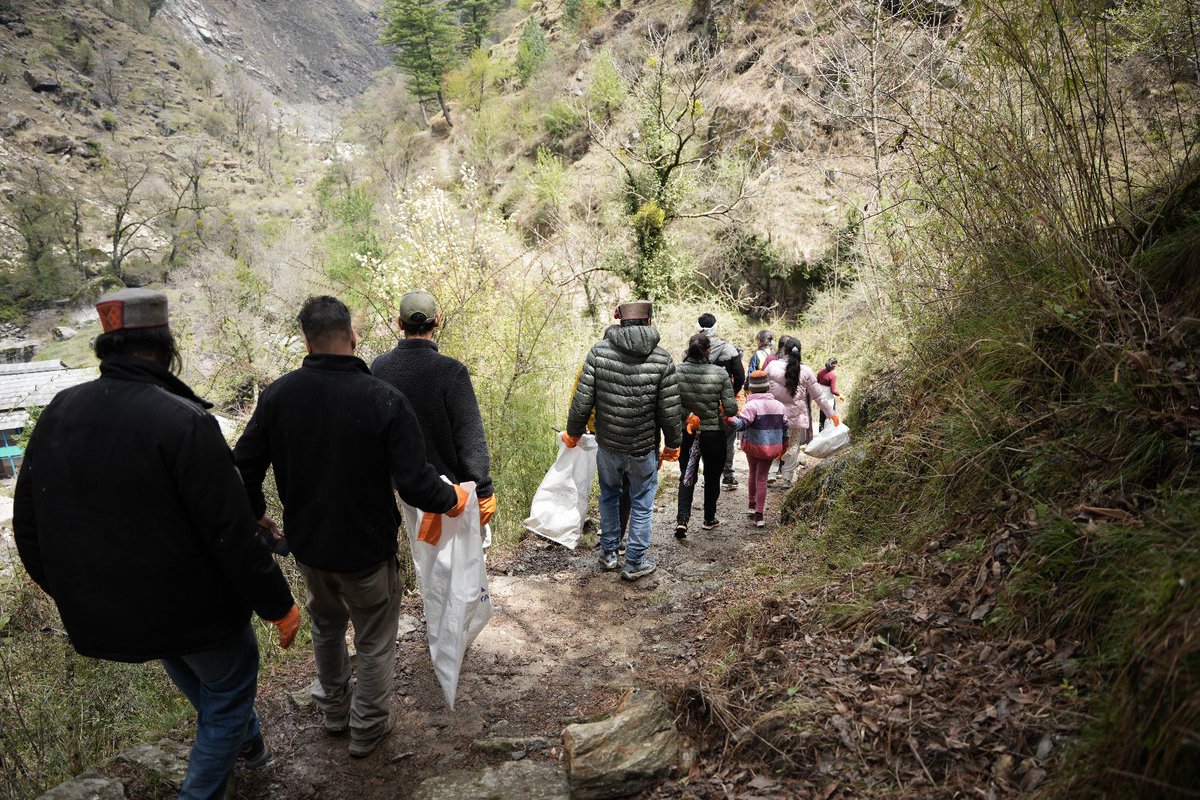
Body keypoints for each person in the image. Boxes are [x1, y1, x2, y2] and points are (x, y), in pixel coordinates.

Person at [14, 288, 299, 799]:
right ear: (164, 347)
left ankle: (250, 746)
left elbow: (28, 523)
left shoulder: (60, 410)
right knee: (228, 685)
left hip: (115, 609)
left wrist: (69, 589)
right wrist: (278, 604)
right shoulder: (183, 420)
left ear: (107, 346)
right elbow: (229, 531)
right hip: (193, 609)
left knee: (209, 679)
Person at [234, 296, 468, 759]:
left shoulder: (278, 396)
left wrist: (258, 511)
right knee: (375, 639)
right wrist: (453, 499)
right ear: (353, 337)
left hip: (309, 548)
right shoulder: (382, 398)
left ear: (307, 340)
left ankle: (335, 713)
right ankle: (367, 727)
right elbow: (416, 482)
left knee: (326, 625)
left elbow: (242, 467)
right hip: (366, 549)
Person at [562, 301, 681, 580]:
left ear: (620, 321)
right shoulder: (662, 359)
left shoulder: (598, 352)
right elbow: (670, 411)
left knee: (610, 495)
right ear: (648, 321)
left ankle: (609, 553)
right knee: (641, 501)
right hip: (642, 448)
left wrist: (573, 433)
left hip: (609, 446)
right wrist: (673, 445)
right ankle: (635, 562)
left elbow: (582, 402)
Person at [370, 290, 496, 530]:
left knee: (425, 562)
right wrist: (483, 488)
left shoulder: (380, 368)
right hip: (453, 494)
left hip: (406, 489)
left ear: (399, 323)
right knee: (461, 563)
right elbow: (469, 435)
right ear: (437, 320)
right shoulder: (451, 371)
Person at [674, 333, 737, 537]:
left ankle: (682, 521)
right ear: (708, 350)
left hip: (688, 433)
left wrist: (688, 414)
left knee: (687, 476)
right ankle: (709, 518)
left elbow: (671, 405)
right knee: (712, 476)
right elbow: (731, 410)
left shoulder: (677, 372)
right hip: (713, 435)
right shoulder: (720, 374)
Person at [764, 335, 838, 488]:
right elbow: (819, 396)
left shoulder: (772, 366)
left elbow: (760, 386)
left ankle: (771, 473)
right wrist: (832, 414)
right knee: (792, 446)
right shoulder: (806, 370)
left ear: (784, 350)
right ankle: (787, 479)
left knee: (773, 443)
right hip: (795, 417)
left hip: (773, 415)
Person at [725, 370, 789, 527]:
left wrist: (727, 417)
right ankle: (759, 516)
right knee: (762, 478)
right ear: (768, 387)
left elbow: (740, 426)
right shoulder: (779, 406)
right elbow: (785, 428)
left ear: (751, 389)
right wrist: (784, 445)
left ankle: (752, 506)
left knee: (753, 473)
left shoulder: (751, 406)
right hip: (771, 449)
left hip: (753, 447)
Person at [696, 313, 745, 488]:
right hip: (724, 403)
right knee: (728, 439)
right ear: (716, 327)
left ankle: (709, 475)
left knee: (704, 437)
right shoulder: (729, 349)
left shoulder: (694, 347)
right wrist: (730, 394)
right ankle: (728, 475)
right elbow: (740, 376)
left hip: (700, 403)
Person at [816, 357, 843, 430]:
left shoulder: (820, 372)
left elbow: (816, 383)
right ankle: (830, 432)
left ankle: (821, 432)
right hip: (829, 398)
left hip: (821, 397)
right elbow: (833, 391)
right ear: (833, 365)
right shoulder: (832, 376)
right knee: (831, 416)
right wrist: (840, 395)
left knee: (822, 416)